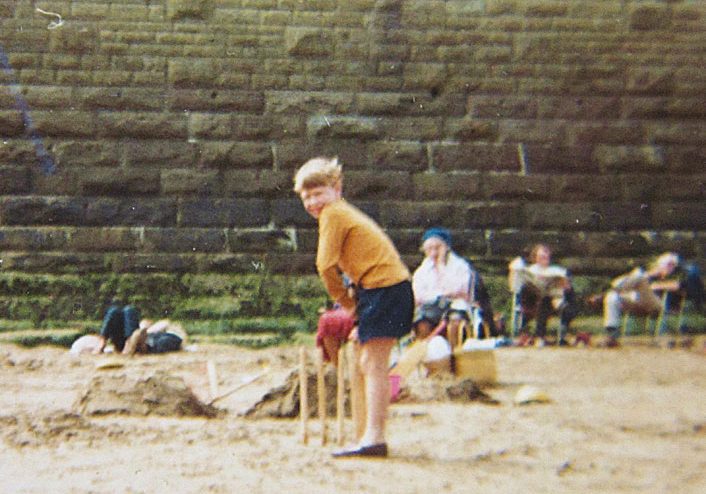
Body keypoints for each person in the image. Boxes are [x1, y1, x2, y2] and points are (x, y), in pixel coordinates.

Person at [294, 156, 413, 459]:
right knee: (368, 362)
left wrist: (348, 306)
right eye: (306, 197)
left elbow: (324, 266)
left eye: (318, 193)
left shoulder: (333, 214)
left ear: (336, 187)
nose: (312, 202)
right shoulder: (339, 212)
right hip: (380, 289)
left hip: (385, 289)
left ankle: (374, 438)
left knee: (374, 365)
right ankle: (372, 435)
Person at [412, 227, 499, 347]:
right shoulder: (422, 271)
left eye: (437, 248)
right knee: (421, 323)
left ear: (446, 247)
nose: (433, 253)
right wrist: (442, 294)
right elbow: (418, 296)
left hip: (456, 306)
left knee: (455, 321)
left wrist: (441, 266)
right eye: (429, 249)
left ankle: (454, 353)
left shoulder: (460, 266)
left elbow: (461, 291)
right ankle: (426, 355)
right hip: (431, 307)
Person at [603, 252, 681, 347]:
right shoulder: (650, 274)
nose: (670, 267)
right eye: (667, 264)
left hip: (657, 304)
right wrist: (649, 275)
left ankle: (616, 288)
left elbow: (677, 286)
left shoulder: (675, 275)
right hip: (637, 300)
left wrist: (653, 285)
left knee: (639, 277)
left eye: (672, 265)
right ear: (659, 264)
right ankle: (612, 334)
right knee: (612, 296)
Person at [512, 244, 577, 347]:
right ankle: (541, 336)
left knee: (549, 300)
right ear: (535, 258)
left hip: (554, 300)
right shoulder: (530, 270)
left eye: (547, 256)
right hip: (534, 302)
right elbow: (516, 288)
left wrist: (566, 285)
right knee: (544, 301)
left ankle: (541, 337)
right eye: (542, 256)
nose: (545, 258)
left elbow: (568, 289)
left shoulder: (556, 270)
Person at [316, 301, 356, 366]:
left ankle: (337, 367)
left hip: (331, 324)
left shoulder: (326, 317)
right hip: (352, 317)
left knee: (335, 359)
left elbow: (319, 340)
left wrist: (325, 358)